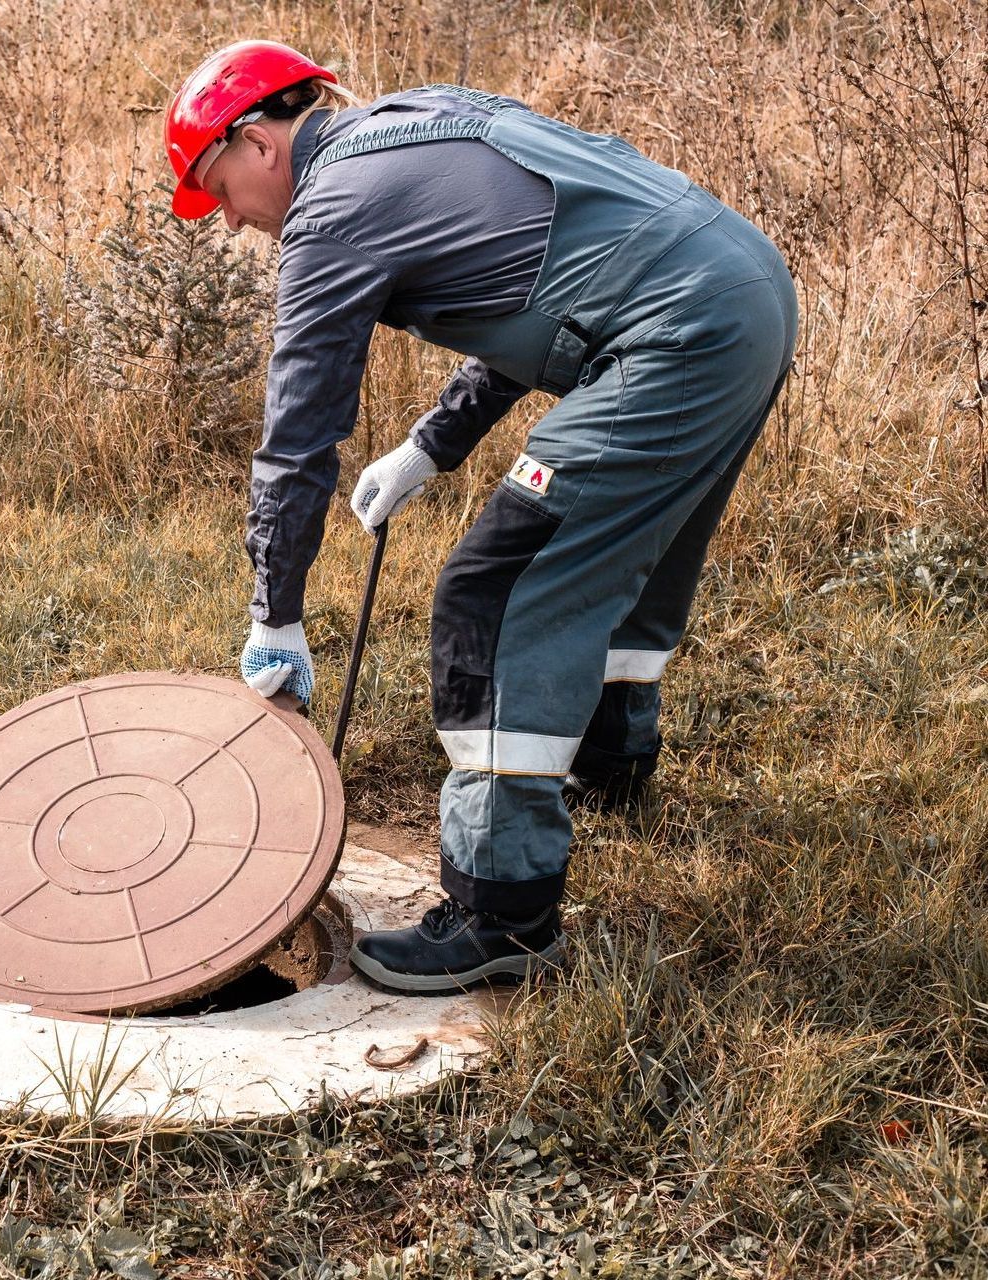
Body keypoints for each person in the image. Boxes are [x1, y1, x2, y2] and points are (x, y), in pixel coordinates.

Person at [164, 41, 797, 996]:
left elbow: (296, 442)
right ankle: (609, 766)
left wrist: (274, 614)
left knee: (493, 592)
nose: (237, 224)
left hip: (673, 329)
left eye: (220, 191)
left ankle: (501, 912)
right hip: (742, 286)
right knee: (623, 546)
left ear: (255, 142)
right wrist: (432, 444)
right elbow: (553, 279)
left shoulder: (327, 213)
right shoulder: (422, 115)